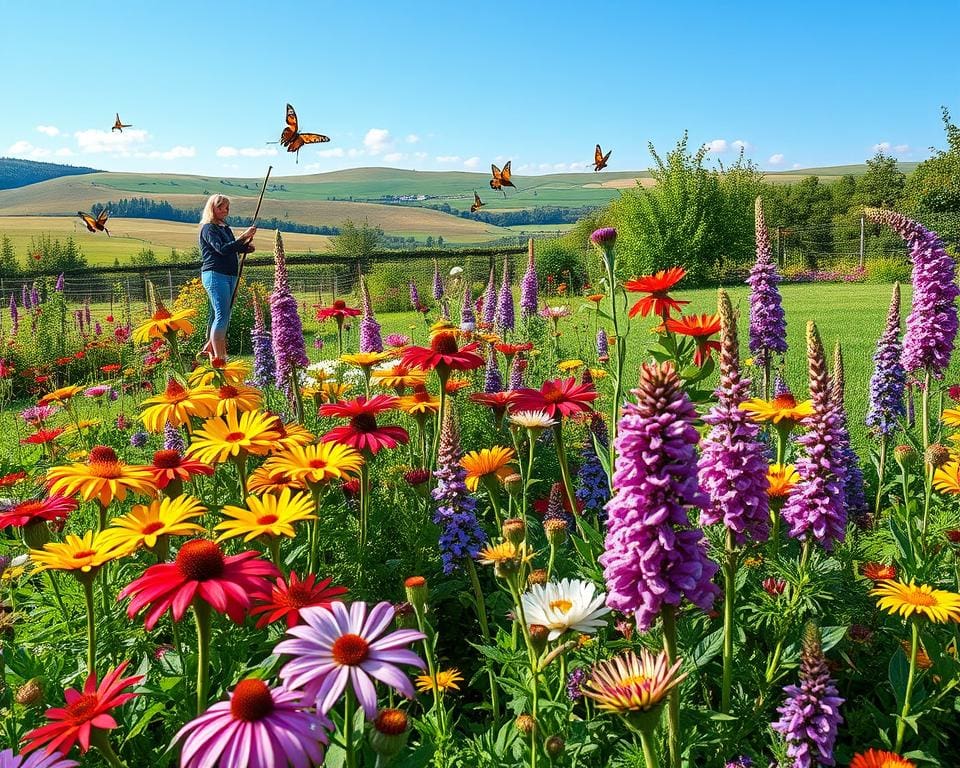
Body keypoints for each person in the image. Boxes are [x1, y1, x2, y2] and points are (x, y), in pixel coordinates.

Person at [198, 194, 256, 362]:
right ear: (212, 208)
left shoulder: (225, 228)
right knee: (222, 315)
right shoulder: (209, 229)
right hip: (215, 275)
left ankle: (212, 347)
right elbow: (222, 249)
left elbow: (232, 249)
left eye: (227, 208)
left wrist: (245, 247)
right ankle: (219, 357)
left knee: (225, 314)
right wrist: (243, 237)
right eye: (221, 207)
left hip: (230, 275)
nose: (225, 210)